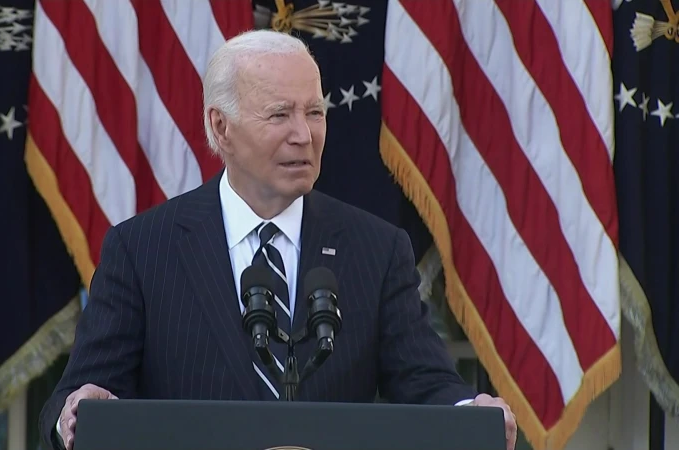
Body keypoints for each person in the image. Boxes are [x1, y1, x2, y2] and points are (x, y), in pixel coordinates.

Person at [39, 29, 517, 450]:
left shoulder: (377, 248)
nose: (303, 135)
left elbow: (427, 383)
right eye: (279, 115)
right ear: (220, 127)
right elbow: (79, 398)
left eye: (314, 112)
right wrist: (77, 411)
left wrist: (467, 413)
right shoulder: (142, 249)